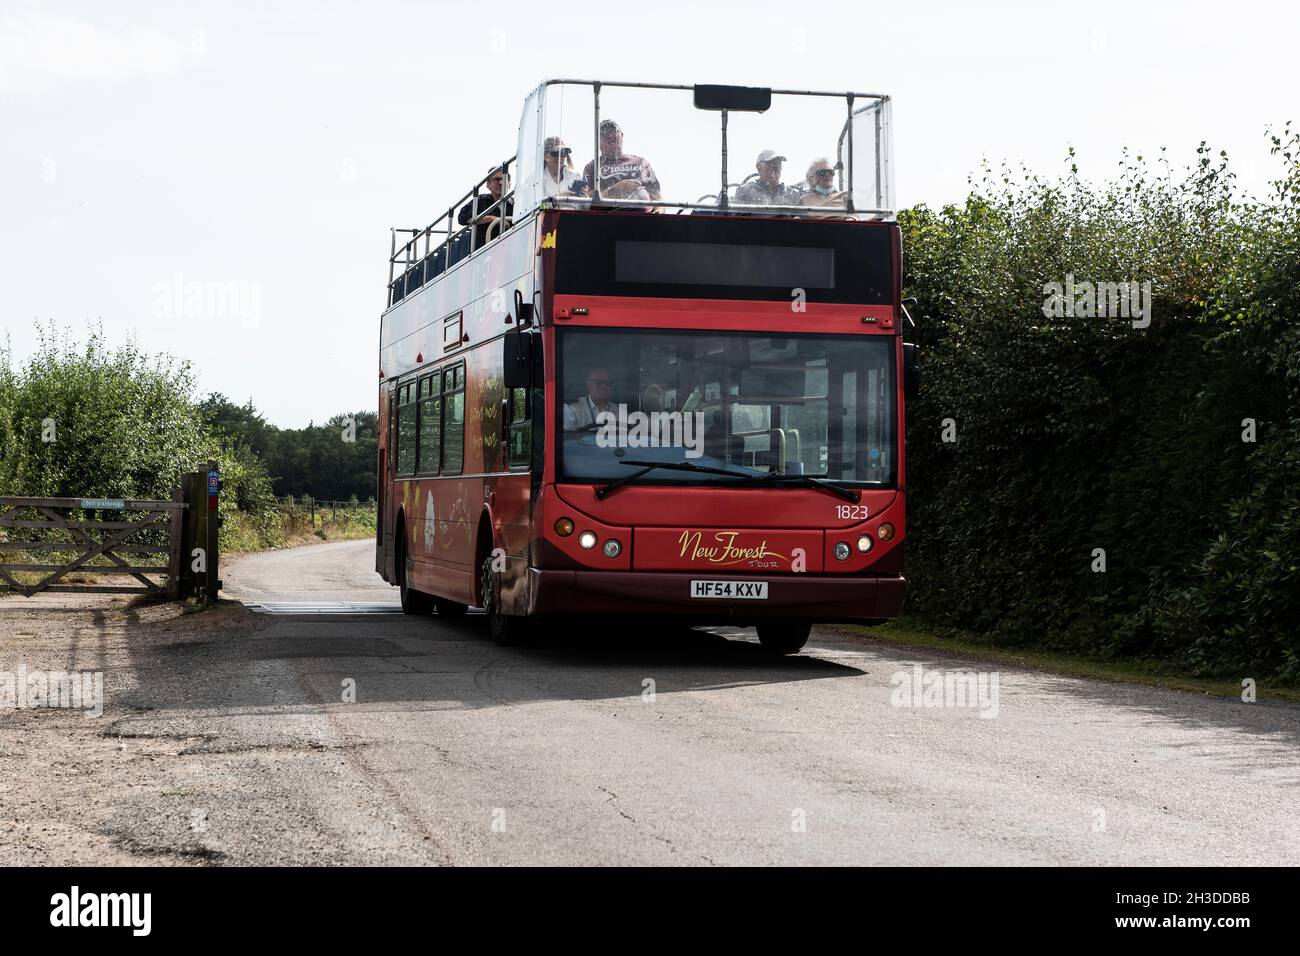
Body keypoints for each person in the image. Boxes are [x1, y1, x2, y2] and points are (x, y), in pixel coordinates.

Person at [583, 119, 662, 202]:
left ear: (622, 135)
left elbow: (658, 198)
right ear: (598, 142)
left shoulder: (641, 163)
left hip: (642, 213)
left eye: (614, 132)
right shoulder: (592, 167)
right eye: (603, 134)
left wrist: (658, 211)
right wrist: (615, 190)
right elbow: (587, 199)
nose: (610, 136)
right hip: (609, 213)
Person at [458, 165, 514, 247]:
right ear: (488, 184)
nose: (501, 183)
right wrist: (490, 219)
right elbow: (462, 218)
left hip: (511, 248)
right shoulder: (480, 200)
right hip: (485, 252)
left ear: (509, 184)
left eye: (504, 179)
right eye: (497, 179)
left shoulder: (517, 203)